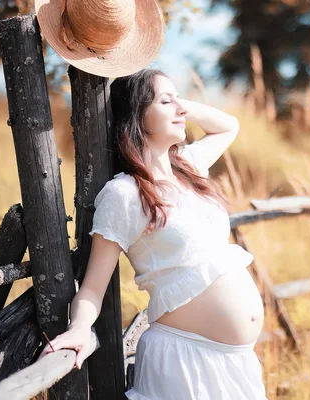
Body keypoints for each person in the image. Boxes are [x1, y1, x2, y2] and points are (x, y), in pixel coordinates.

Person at [38, 69, 267, 400]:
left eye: (179, 100)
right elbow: (92, 287)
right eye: (165, 101)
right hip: (184, 361)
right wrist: (78, 329)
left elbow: (228, 125)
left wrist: (174, 102)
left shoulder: (188, 168)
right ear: (137, 115)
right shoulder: (124, 194)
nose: (180, 109)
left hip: (237, 361)